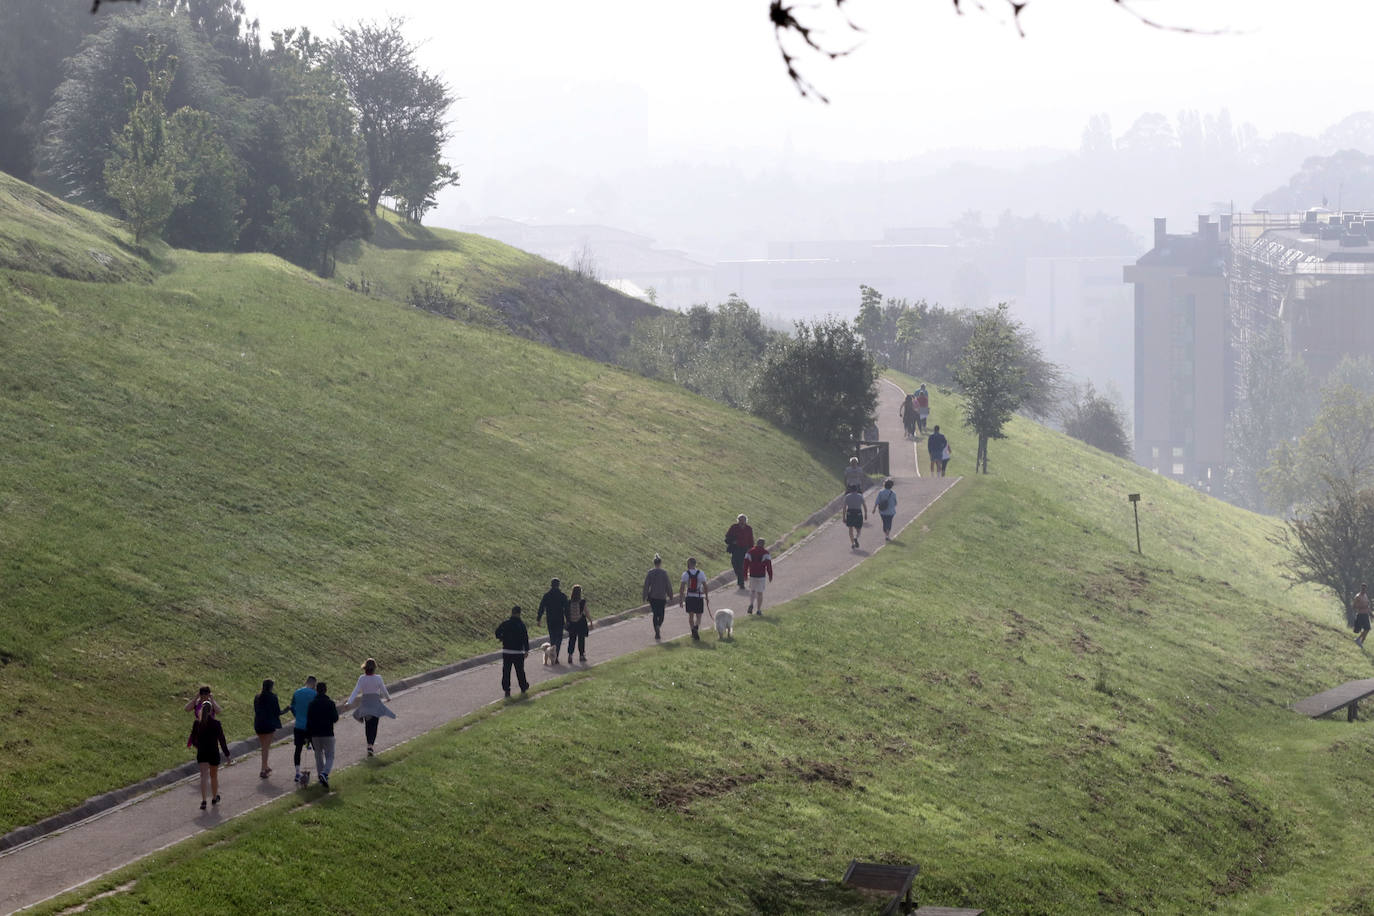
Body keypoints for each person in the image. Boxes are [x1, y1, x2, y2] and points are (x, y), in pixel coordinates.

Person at [347, 658, 396, 757]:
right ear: (374, 668)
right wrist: (388, 698)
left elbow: (356, 691)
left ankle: (369, 744)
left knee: (368, 725)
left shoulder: (362, 678)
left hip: (366, 704)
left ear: (365, 668)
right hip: (375, 704)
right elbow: (383, 689)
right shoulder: (378, 678)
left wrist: (349, 702)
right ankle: (371, 745)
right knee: (374, 725)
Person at [191, 702, 230, 810]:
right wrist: (227, 754)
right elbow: (222, 740)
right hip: (213, 752)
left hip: (202, 752)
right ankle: (214, 797)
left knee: (203, 776)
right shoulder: (216, 723)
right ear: (211, 711)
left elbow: (193, 739)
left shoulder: (197, 723)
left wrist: (199, 746)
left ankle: (203, 801)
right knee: (214, 776)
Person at [306, 681, 339, 790]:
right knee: (330, 755)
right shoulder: (330, 703)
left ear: (316, 690)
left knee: (318, 755)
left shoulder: (311, 704)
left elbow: (308, 721)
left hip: (315, 734)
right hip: (328, 733)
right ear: (326, 690)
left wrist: (308, 735)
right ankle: (324, 773)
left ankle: (320, 776)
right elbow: (335, 718)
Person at [252, 679, 286, 780]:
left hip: (258, 724)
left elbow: (256, 710)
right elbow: (277, 712)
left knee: (264, 747)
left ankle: (265, 766)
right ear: (271, 687)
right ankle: (263, 769)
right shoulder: (273, 697)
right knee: (265, 748)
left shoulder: (257, 697)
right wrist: (286, 710)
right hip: (269, 725)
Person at [496, 605, 531, 697]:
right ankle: (523, 687)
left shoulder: (505, 623)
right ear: (519, 614)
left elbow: (497, 633)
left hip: (507, 651)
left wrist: (502, 638)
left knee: (506, 671)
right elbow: (525, 638)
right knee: (520, 671)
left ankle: (506, 689)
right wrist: (526, 650)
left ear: (512, 613)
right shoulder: (521, 625)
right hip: (518, 652)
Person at [289, 676, 317, 786]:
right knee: (317, 749)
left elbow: (292, 706)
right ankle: (321, 770)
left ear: (306, 682)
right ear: (314, 684)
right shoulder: (315, 694)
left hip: (299, 725)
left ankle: (297, 772)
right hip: (311, 726)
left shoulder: (297, 693)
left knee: (298, 749)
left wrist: (297, 715)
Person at [537, 578, 569, 664]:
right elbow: (566, 609)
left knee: (552, 638)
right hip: (559, 619)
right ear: (558, 585)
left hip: (550, 620)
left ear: (551, 585)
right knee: (559, 639)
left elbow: (541, 607)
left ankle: (552, 654)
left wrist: (539, 618)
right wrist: (568, 619)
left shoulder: (547, 595)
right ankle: (555, 656)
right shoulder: (562, 596)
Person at [642, 554, 674, 640]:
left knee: (655, 614)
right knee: (661, 614)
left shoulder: (650, 573)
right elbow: (668, 585)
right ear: (660, 563)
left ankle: (656, 630)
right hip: (662, 597)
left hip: (653, 597)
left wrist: (644, 596)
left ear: (654, 563)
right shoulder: (664, 573)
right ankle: (658, 626)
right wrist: (670, 595)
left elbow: (646, 585)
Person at [679, 557, 710, 641]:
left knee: (691, 616)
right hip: (699, 597)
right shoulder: (701, 573)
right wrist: (707, 597)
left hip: (689, 597)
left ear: (688, 564)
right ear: (695, 564)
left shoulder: (685, 574)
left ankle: (693, 631)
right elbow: (705, 586)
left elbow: (682, 588)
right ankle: (696, 628)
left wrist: (681, 600)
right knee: (699, 616)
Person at [184, 685, 222, 751]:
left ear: (209, 694)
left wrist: (212, 699)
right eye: (202, 694)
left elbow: (218, 711)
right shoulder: (197, 703)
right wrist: (195, 698)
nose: (204, 696)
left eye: (206, 694)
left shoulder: (211, 703)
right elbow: (187, 709)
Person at [743, 537, 773, 615]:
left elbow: (745, 564)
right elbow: (768, 565)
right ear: (763, 544)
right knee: (760, 593)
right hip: (761, 575)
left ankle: (751, 604)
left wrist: (745, 574)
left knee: (752, 591)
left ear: (757, 543)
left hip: (752, 574)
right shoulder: (766, 553)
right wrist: (770, 575)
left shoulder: (750, 552)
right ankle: (758, 610)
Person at [725, 514, 754, 590]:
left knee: (741, 566)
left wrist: (751, 550)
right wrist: (733, 541)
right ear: (738, 520)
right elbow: (727, 537)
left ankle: (741, 583)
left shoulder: (749, 529)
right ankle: (740, 578)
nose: (742, 522)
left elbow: (751, 540)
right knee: (734, 563)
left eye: (743, 520)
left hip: (745, 550)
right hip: (735, 549)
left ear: (746, 521)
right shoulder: (734, 527)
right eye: (740, 520)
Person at [566, 585, 592, 663]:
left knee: (572, 639)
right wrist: (590, 620)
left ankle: (570, 655)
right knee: (581, 639)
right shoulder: (582, 602)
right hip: (581, 623)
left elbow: (567, 612)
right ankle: (581, 655)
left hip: (572, 623)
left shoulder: (569, 602)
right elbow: (586, 612)